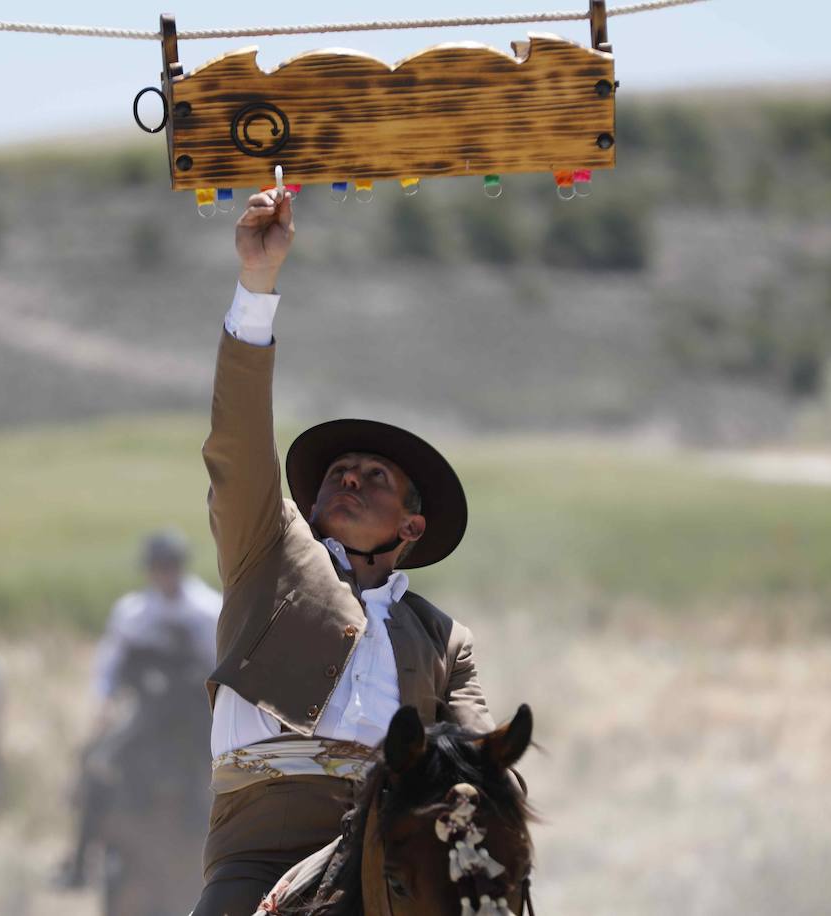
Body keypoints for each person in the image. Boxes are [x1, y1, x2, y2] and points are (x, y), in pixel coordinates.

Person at [191, 188, 496, 915]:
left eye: (375, 479)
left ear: (411, 528)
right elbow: (237, 442)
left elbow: (477, 763)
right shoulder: (268, 552)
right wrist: (256, 284)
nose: (349, 481)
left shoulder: (445, 640)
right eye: (338, 475)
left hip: (393, 847)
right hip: (258, 847)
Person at [56, 529, 221, 893]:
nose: (165, 574)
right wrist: (103, 706)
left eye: (171, 566)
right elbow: (109, 667)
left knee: (228, 770)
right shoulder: (132, 613)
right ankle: (81, 859)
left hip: (195, 712)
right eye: (158, 567)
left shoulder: (208, 609)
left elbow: (221, 666)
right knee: (97, 763)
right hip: (145, 711)